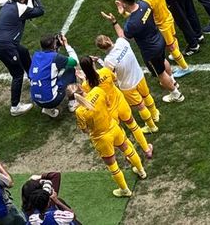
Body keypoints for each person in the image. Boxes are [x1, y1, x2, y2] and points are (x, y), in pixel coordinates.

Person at [69, 66, 147, 198]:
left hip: (101, 138)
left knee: (112, 165)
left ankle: (125, 190)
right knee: (127, 148)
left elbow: (84, 130)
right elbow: (109, 104)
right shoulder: (98, 91)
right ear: (81, 88)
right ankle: (141, 171)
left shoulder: (79, 112)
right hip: (113, 127)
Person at [104, 0, 185, 103]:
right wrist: (123, 12)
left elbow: (123, 37)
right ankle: (173, 81)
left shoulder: (131, 24)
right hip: (159, 40)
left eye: (119, 1)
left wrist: (114, 21)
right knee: (163, 60)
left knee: (160, 73)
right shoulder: (144, 4)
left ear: (124, 3)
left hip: (150, 51)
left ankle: (176, 94)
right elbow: (138, 18)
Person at [0, 0, 46, 116]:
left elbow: (27, 8)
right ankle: (15, 107)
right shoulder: (21, 8)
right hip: (5, 46)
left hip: (0, 43)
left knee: (24, 52)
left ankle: (33, 78)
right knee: (17, 74)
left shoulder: (10, 4)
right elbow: (40, 10)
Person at [79, 56, 152, 160]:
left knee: (122, 137)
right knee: (133, 126)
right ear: (93, 63)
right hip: (120, 104)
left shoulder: (85, 85)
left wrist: (83, 79)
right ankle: (147, 150)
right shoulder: (105, 71)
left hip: (110, 113)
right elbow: (115, 79)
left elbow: (89, 95)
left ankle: (133, 158)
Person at [94, 32, 161, 134]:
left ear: (101, 49)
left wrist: (98, 61)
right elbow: (121, 33)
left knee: (140, 106)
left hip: (128, 86)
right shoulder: (121, 42)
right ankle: (155, 114)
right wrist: (114, 22)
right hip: (139, 75)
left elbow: (109, 74)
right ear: (108, 38)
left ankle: (152, 127)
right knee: (146, 95)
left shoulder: (108, 60)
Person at [128, 0, 191, 74]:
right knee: (173, 38)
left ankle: (184, 68)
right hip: (168, 15)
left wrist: (126, 13)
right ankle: (177, 55)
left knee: (170, 46)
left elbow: (143, 15)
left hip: (162, 24)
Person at [29, 32, 80, 118]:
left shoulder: (35, 55)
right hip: (52, 100)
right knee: (71, 70)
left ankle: (48, 109)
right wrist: (66, 44)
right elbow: (75, 61)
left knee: (51, 77)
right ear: (54, 46)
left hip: (36, 100)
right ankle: (72, 103)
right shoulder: (56, 58)